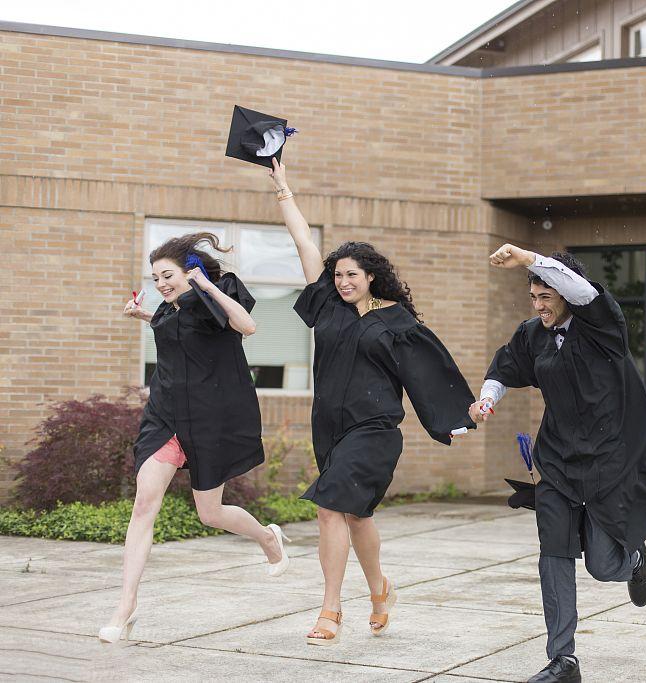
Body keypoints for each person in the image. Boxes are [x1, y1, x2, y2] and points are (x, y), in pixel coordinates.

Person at [269, 160, 475, 646]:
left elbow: (430, 372)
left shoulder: (396, 320)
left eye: (351, 274)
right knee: (355, 516)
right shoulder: (326, 306)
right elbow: (304, 242)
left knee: (329, 506)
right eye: (337, 274)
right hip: (330, 428)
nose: (342, 281)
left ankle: (330, 609)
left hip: (375, 429)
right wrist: (283, 190)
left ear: (371, 276)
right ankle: (380, 590)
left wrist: (460, 416)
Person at [470, 244, 646, 683]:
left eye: (547, 298)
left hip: (608, 459)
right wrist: (486, 399)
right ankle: (564, 659)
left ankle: (632, 560)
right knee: (553, 555)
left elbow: (581, 291)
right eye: (534, 298)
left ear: (563, 293)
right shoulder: (533, 333)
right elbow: (505, 368)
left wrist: (526, 256)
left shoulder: (602, 325)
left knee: (601, 563)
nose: (539, 307)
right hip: (557, 459)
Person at [100, 232, 287, 643]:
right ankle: (125, 605)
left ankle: (267, 537)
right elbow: (180, 333)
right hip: (165, 417)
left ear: (190, 271)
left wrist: (205, 286)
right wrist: (144, 316)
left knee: (211, 513)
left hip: (208, 420)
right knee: (144, 503)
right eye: (155, 278)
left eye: (167, 275)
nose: (161, 283)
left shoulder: (211, 301)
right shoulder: (167, 311)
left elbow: (248, 326)